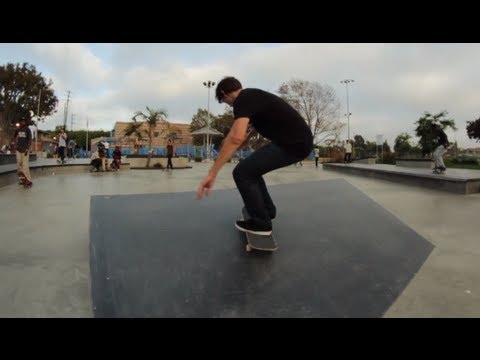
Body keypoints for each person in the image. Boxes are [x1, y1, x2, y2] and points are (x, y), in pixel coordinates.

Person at [197, 76, 313, 236]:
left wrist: (212, 173)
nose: (230, 106)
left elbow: (235, 137)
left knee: (242, 172)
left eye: (225, 102)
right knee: (251, 170)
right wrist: (249, 136)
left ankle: (262, 224)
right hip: (295, 142)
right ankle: (266, 210)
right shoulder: (252, 97)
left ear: (224, 93)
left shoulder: (242, 100)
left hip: (293, 144)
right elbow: (259, 121)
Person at [12, 114, 33, 187]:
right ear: (20, 122)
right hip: (18, 149)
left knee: (25, 166)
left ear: (25, 122)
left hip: (25, 150)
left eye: (24, 121)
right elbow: (14, 137)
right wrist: (15, 145)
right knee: (19, 166)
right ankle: (22, 180)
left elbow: (30, 140)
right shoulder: (17, 129)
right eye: (21, 121)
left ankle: (29, 180)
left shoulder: (27, 129)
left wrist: (27, 149)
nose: (23, 122)